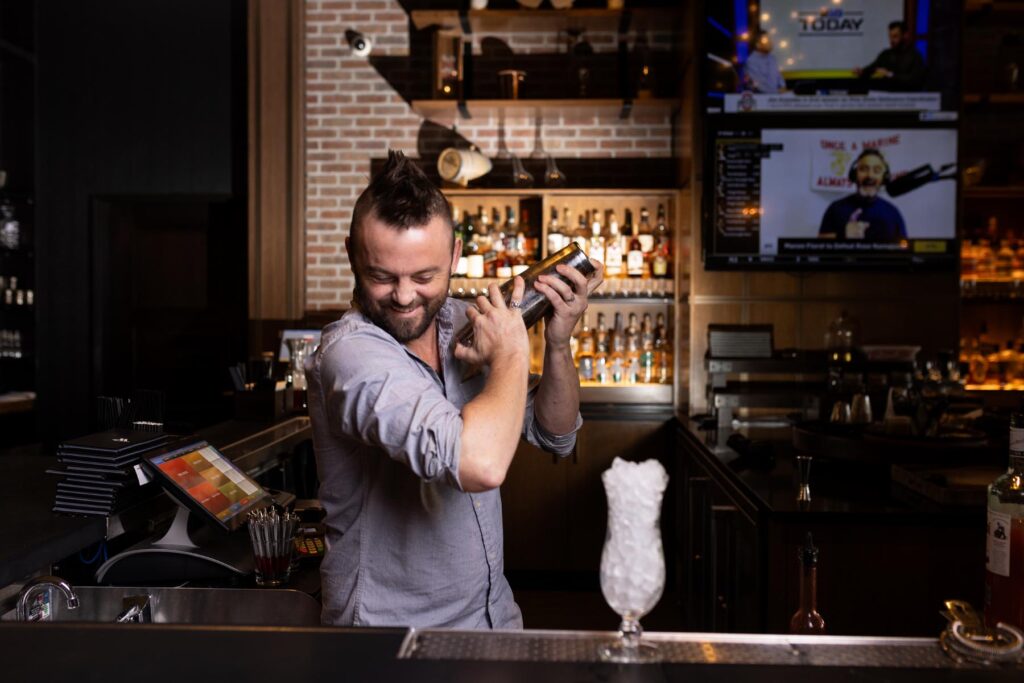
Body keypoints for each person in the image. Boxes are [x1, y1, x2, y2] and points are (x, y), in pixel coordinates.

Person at [305, 150, 604, 629]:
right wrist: (511, 348)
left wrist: (557, 342)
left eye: (425, 276)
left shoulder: (462, 322)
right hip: (389, 638)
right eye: (382, 277)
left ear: (455, 256)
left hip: (490, 619)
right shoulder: (351, 356)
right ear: (352, 255)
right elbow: (480, 464)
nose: (405, 296)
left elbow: (557, 434)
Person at [819, 148, 907, 241]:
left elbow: (905, 247)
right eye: (864, 169)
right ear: (854, 174)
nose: (870, 175)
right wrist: (843, 234)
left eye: (876, 170)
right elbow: (820, 246)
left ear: (884, 177)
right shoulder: (835, 209)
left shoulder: (893, 212)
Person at [853, 20, 925, 91]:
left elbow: (915, 80)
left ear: (905, 35)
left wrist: (890, 75)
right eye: (890, 36)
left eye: (895, 36)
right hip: (886, 95)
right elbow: (873, 68)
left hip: (907, 96)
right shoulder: (886, 54)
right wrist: (862, 71)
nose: (891, 40)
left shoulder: (914, 56)